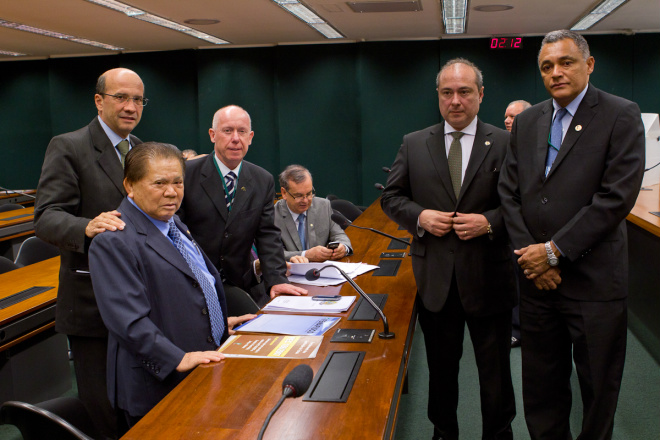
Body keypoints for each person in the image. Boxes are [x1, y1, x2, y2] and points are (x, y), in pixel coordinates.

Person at [498, 30, 645, 440]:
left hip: (593, 281)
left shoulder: (620, 114)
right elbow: (509, 194)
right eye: (547, 66)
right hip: (537, 284)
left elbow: (615, 198)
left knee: (598, 388)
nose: (556, 73)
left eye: (565, 62)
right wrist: (533, 257)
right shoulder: (527, 122)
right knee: (542, 388)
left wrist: (553, 252)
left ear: (589, 64)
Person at [381, 58, 516, 440]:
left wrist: (489, 222)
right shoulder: (414, 143)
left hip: (490, 276)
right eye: (447, 93)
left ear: (481, 95)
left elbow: (522, 205)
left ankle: (499, 431)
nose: (455, 100)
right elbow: (392, 198)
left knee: (495, 369)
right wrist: (420, 216)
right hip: (436, 280)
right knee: (441, 368)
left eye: (464, 91)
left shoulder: (506, 143)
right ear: (438, 97)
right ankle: (444, 431)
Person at [88, 142, 252, 432]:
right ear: (130, 185)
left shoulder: (174, 224)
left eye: (178, 182)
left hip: (200, 370)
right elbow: (128, 322)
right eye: (159, 183)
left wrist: (217, 324)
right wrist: (177, 358)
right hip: (158, 386)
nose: (171, 192)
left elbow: (184, 288)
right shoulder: (114, 240)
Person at [34, 67, 146, 439]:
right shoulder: (69, 145)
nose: (130, 107)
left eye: (138, 99)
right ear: (99, 101)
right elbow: (47, 217)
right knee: (104, 413)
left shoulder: (142, 151)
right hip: (91, 303)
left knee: (137, 404)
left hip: (140, 300)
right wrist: (85, 226)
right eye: (121, 97)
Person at [178, 105, 307, 302]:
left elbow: (267, 235)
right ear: (212, 135)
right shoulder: (186, 174)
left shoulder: (262, 179)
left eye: (242, 131)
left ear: (250, 137)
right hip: (194, 287)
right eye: (228, 131)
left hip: (243, 286)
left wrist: (277, 279)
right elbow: (174, 233)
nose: (236, 138)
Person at [274, 164, 352, 262]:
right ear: (284, 193)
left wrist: (343, 247)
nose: (306, 200)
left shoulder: (323, 206)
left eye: (309, 194)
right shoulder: (272, 216)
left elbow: (339, 235)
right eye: (299, 196)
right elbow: (273, 253)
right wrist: (305, 255)